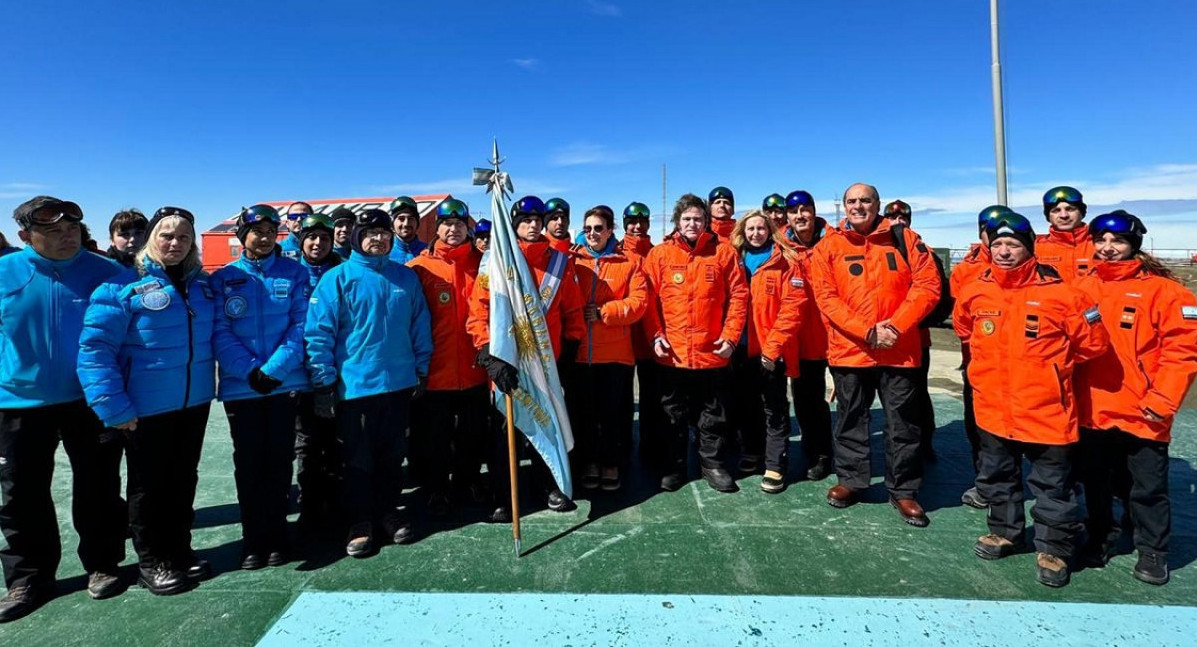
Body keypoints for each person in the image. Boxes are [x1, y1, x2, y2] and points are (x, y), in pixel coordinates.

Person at [955, 211, 1108, 588]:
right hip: (992, 408)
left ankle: (1054, 548)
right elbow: (963, 326)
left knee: (1053, 486)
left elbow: (1094, 343)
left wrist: (1051, 371)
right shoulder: (976, 290)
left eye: (1013, 245)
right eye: (998, 245)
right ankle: (1005, 531)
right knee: (998, 477)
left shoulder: (1064, 294)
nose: (1005, 252)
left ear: (1029, 249)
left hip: (1047, 411)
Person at [78, 206, 218, 596]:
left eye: (184, 237)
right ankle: (152, 560)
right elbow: (94, 351)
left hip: (193, 403)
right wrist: (113, 407)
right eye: (167, 235)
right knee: (148, 488)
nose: (175, 243)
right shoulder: (120, 288)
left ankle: (179, 548)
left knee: (183, 480)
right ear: (151, 239)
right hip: (144, 410)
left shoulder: (202, 286)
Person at [0, 197, 125, 622]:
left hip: (89, 400)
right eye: (52, 231)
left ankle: (104, 564)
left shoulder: (109, 273)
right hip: (18, 403)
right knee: (20, 494)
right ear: (25, 237)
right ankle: (28, 579)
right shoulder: (4, 272)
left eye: (72, 228)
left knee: (99, 486)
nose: (66, 236)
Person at [1075, 211, 1197, 586]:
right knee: (1094, 483)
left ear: (1134, 245)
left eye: (1118, 242)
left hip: (1144, 410)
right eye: (1101, 241)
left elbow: (1183, 353)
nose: (1108, 249)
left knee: (1147, 488)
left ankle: (1152, 550)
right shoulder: (1079, 288)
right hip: (1092, 408)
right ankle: (1099, 536)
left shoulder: (1168, 293)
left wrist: (1163, 400)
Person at [808, 183, 940, 527]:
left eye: (865, 200)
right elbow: (826, 298)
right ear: (844, 207)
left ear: (877, 204)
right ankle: (851, 480)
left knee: (903, 423)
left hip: (899, 351)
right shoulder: (829, 246)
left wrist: (895, 327)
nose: (858, 206)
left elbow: (928, 286)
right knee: (851, 419)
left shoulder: (905, 239)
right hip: (851, 351)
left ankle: (904, 489)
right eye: (851, 201)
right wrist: (867, 331)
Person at [305, 208, 431, 557]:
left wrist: (421, 367)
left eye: (384, 233)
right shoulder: (337, 278)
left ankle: (388, 513)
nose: (378, 239)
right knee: (357, 459)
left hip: (399, 383)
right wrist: (324, 382)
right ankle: (360, 521)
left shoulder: (405, 278)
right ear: (358, 237)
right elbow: (318, 333)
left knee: (392, 456)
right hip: (355, 387)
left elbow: (420, 324)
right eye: (370, 233)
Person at [467, 196, 585, 520]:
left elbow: (572, 311)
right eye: (526, 220)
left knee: (547, 428)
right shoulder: (494, 261)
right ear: (514, 224)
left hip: (545, 365)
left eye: (538, 219)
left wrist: (569, 353)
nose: (533, 225)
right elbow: (479, 312)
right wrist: (488, 355)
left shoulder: (559, 263)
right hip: (506, 364)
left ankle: (548, 485)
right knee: (506, 434)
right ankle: (505, 494)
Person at [211, 205, 310, 570]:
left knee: (280, 462)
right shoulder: (223, 279)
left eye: (271, 231)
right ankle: (254, 539)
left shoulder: (295, 273)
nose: (264, 237)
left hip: (282, 385)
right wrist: (250, 371)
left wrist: (275, 369)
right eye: (257, 231)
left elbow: (302, 325)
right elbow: (218, 330)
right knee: (249, 464)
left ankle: (279, 536)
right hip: (242, 389)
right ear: (243, 236)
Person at [641, 193, 749, 493]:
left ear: (706, 223)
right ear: (677, 222)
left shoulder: (724, 253)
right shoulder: (660, 255)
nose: (692, 223)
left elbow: (739, 297)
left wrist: (730, 336)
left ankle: (712, 465)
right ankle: (674, 466)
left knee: (713, 414)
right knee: (672, 415)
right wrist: (655, 335)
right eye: (686, 219)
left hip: (711, 352)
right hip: (672, 354)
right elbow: (648, 301)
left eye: (698, 219)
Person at [406, 199, 490, 516]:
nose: (452, 230)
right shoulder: (419, 268)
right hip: (436, 370)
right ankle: (437, 486)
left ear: (467, 227)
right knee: (435, 437)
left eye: (458, 224)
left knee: (472, 432)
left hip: (476, 367)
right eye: (446, 224)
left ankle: (468, 479)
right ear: (437, 228)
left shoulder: (485, 264)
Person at [570, 205, 649, 491]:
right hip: (581, 355)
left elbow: (639, 302)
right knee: (585, 414)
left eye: (599, 228)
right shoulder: (571, 260)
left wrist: (605, 311)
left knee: (613, 414)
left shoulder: (628, 262)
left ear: (610, 230)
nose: (592, 233)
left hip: (615, 354)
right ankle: (589, 461)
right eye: (588, 228)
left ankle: (611, 462)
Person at [729, 210, 805, 493]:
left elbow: (793, 309)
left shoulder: (785, 262)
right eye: (751, 229)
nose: (756, 233)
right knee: (746, 405)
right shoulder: (734, 258)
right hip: (741, 348)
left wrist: (772, 349)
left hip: (771, 351)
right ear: (742, 231)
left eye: (761, 228)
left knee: (774, 409)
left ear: (770, 231)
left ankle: (775, 463)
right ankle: (752, 451)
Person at [950, 204, 1012, 509]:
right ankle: (985, 480)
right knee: (979, 424)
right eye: (992, 232)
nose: (1000, 242)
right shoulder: (967, 270)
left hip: (1026, 364)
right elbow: (959, 317)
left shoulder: (1033, 265)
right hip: (979, 361)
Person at [882, 199, 944, 463]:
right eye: (892, 218)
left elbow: (940, 298)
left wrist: (912, 321)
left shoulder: (923, 251)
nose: (898, 222)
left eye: (902, 218)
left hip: (915, 338)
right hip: (879, 338)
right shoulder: (877, 250)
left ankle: (922, 446)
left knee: (916, 397)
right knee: (890, 401)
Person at [292, 213, 343, 532]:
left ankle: (337, 505)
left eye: (324, 238)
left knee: (338, 442)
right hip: (300, 376)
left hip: (339, 373)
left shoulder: (343, 271)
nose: (317, 243)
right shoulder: (292, 274)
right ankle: (310, 507)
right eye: (311, 238)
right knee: (307, 444)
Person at [783, 190, 834, 481]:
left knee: (851, 402)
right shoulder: (782, 246)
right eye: (794, 211)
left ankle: (846, 456)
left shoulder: (835, 241)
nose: (800, 215)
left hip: (837, 335)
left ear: (814, 211)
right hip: (802, 338)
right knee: (807, 401)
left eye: (805, 209)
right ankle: (817, 452)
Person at [619, 202, 668, 469]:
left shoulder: (657, 253)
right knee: (622, 398)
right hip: (623, 338)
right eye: (632, 221)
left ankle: (651, 445)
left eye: (642, 221)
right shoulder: (616, 252)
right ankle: (622, 444)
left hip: (651, 338)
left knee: (653, 397)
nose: (637, 226)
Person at [1036, 186, 1094, 282]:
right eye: (1056, 210)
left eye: (1070, 209)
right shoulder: (1035, 249)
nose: (1064, 215)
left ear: (1081, 212)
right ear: (1048, 216)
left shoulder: (1101, 246)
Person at [388, 196, 427, 264]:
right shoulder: (384, 252)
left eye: (410, 219)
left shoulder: (429, 251)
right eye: (401, 219)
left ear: (417, 223)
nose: (406, 224)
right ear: (392, 223)